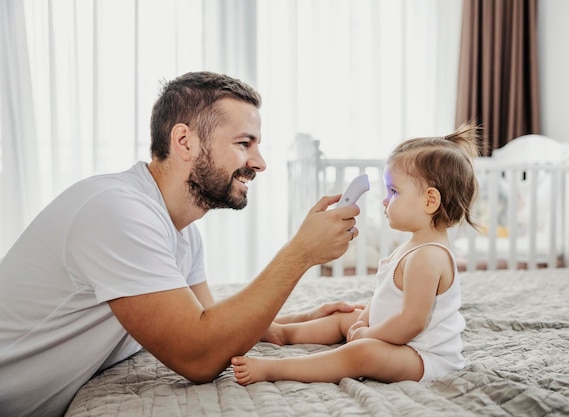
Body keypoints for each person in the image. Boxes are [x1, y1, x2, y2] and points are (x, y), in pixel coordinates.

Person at [0, 71, 363, 417]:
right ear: (185, 141)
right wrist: (299, 254)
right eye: (243, 144)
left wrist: (286, 330)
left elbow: (211, 326)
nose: (259, 163)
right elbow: (200, 357)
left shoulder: (182, 230)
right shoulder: (117, 212)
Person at [231, 122, 481, 385]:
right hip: (402, 341)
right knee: (346, 316)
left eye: (393, 192)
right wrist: (363, 320)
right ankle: (284, 333)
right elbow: (384, 297)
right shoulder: (411, 248)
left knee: (362, 353)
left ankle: (275, 369)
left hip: (424, 357)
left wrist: (369, 334)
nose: (385, 200)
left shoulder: (428, 257)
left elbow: (412, 322)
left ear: (430, 201)